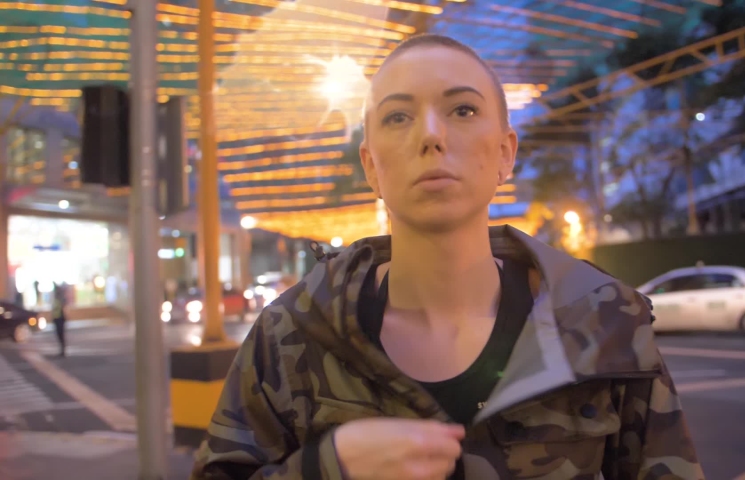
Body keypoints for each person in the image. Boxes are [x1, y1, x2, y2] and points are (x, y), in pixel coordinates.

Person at [192, 34, 704, 480]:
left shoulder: (603, 324)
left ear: (505, 152)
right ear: (371, 167)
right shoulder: (292, 334)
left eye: (463, 110)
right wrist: (328, 468)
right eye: (398, 116)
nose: (431, 135)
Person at [51, 282, 67, 357]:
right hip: (56, 319)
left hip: (60, 319)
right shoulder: (56, 300)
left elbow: (63, 309)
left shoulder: (60, 299)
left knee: (61, 335)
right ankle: (62, 350)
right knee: (59, 335)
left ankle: (63, 350)